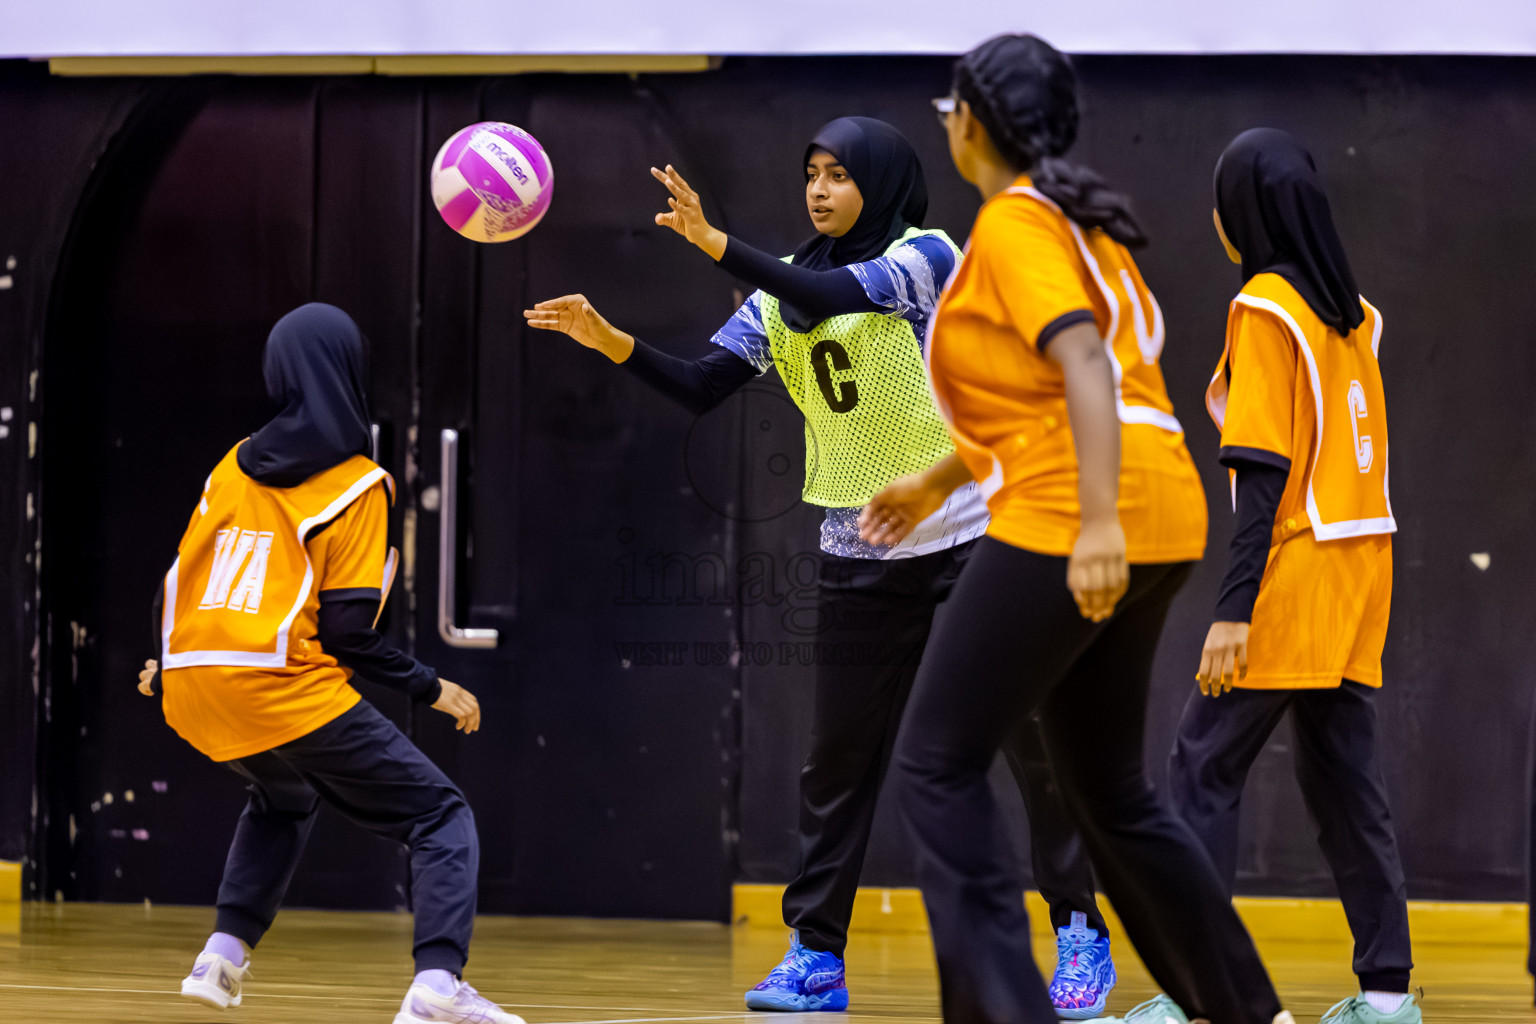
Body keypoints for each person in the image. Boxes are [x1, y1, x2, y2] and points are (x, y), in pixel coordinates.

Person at [524, 117, 1117, 1015]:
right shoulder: (776, 300)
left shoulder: (927, 255)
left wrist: (717, 243)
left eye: (840, 174)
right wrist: (611, 339)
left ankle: (1079, 930)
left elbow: (838, 292)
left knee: (1030, 741)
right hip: (860, 551)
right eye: (810, 173)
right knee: (836, 763)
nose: (820, 188)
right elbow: (700, 385)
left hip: (974, 533)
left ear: (880, 182)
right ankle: (815, 956)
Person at [861, 34, 1293, 1024]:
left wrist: (1095, 523)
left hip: (1079, 513)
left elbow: (1087, 363)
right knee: (1113, 794)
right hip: (1163, 512)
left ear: (971, 124)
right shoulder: (1079, 224)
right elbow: (1044, 397)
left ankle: (1006, 1009)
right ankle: (1248, 1011)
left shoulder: (1016, 225)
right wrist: (935, 481)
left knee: (935, 761)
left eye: (948, 112)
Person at [136, 303, 521, 1024]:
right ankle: (438, 988)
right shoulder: (357, 482)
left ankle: (220, 958)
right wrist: (432, 687)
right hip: (277, 684)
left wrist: (168, 660)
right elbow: (347, 633)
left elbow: (182, 574)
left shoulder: (231, 464)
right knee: (440, 814)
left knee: (284, 794)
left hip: (191, 680)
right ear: (348, 370)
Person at [1167, 128, 1419, 1024]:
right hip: (1365, 568)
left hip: (1300, 565)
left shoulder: (1266, 309)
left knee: (1200, 767)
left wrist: (1233, 612)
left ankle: (1205, 995)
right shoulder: (1355, 311)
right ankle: (1388, 996)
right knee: (1344, 781)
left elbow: (1265, 478)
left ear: (1245, 214)